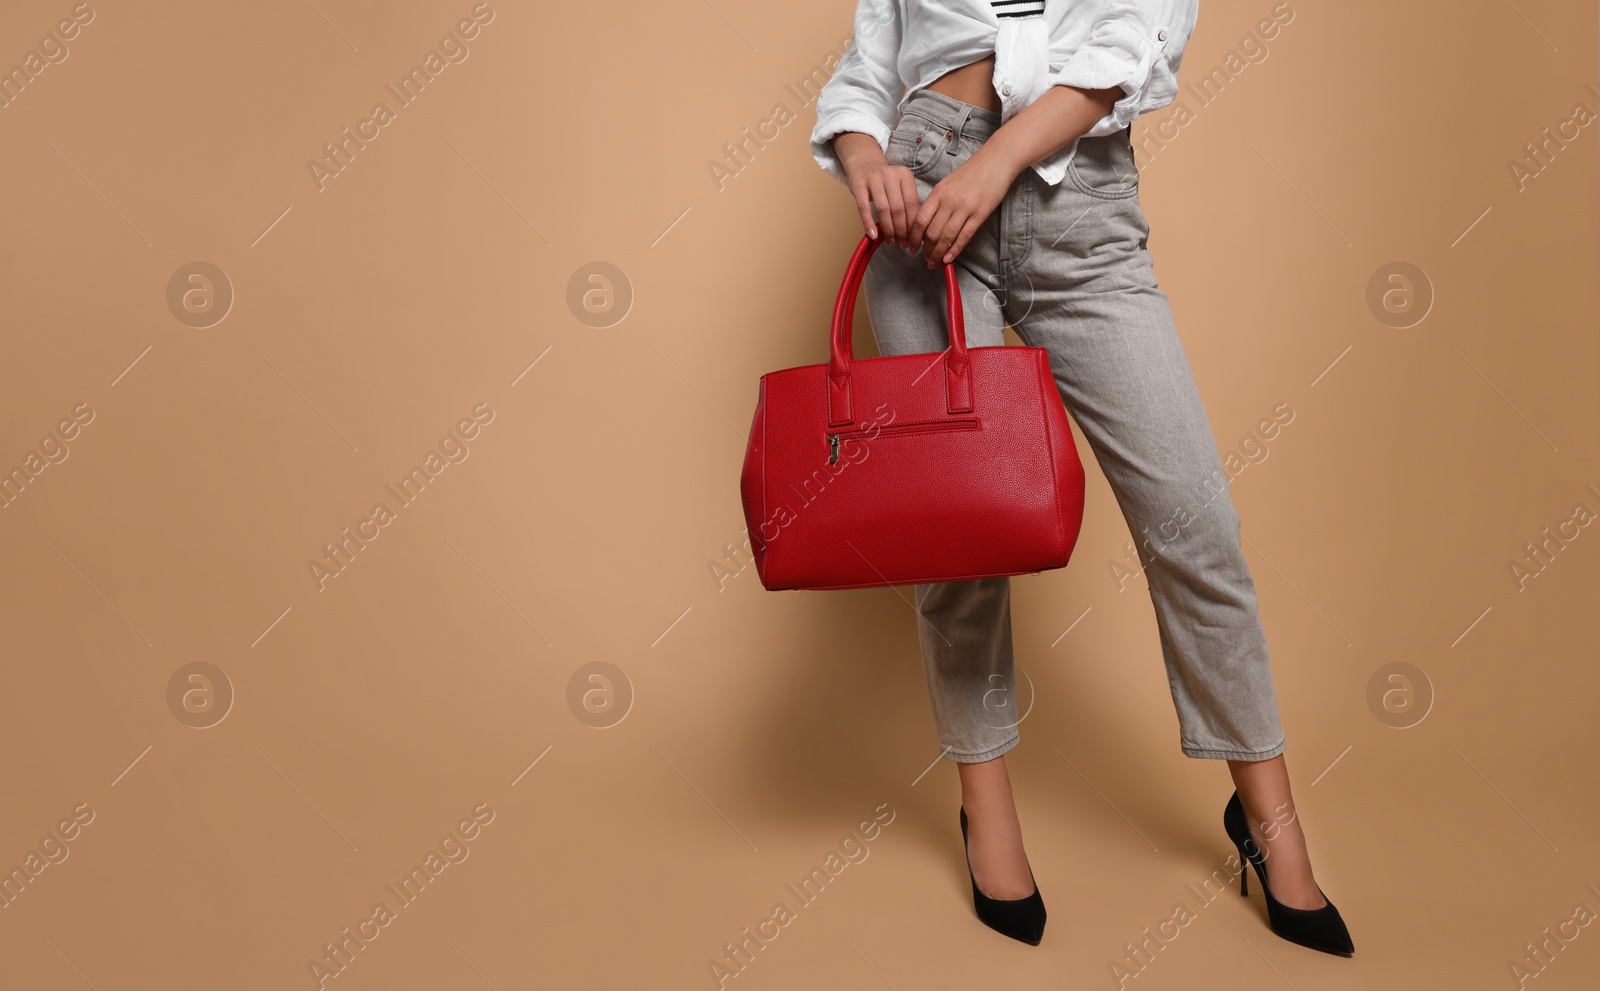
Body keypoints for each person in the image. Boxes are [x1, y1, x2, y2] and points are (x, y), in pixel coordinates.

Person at [808, 0, 1354, 955]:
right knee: (959, 537)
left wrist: (997, 162)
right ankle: (988, 806)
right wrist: (868, 164)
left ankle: (1271, 823)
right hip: (923, 214)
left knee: (1194, 524)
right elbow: (868, 68)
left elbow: (1129, 43)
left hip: (1079, 213)